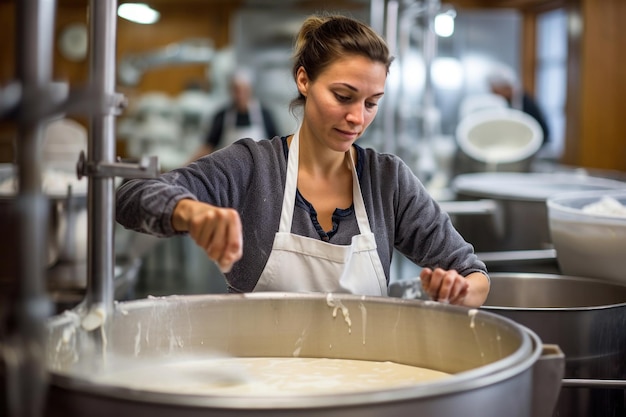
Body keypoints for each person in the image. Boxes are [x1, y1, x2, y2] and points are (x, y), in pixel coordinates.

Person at [116, 13, 490, 307]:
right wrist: (190, 212)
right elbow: (131, 196)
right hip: (261, 385)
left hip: (361, 387)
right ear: (304, 80)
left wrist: (459, 291)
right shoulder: (253, 167)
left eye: (371, 103)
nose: (358, 117)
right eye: (343, 96)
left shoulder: (386, 180)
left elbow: (473, 274)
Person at [189, 68, 279, 160]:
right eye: (236, 90)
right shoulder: (222, 116)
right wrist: (186, 167)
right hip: (228, 171)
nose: (240, 95)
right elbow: (208, 146)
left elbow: (276, 146)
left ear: (250, 90)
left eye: (244, 90)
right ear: (230, 91)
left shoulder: (264, 114)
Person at [487, 64, 550, 145]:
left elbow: (542, 132)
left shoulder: (527, 103)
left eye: (495, 91)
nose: (493, 94)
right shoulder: (505, 102)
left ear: (505, 88)